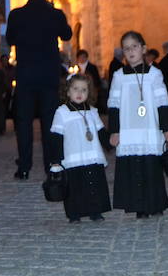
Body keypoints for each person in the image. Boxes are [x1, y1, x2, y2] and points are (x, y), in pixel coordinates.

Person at [5, 0, 72, 179]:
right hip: (48, 75)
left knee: (24, 122)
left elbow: (10, 40)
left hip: (25, 75)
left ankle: (24, 167)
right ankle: (51, 165)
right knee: (49, 122)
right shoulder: (55, 14)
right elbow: (67, 34)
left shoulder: (16, 14)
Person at [108, 31, 168, 217]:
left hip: (150, 129)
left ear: (143, 48)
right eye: (126, 48)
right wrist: (114, 131)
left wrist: (167, 128)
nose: (130, 51)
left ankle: (155, 204)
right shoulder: (119, 76)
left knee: (151, 168)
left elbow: (163, 102)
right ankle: (139, 207)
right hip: (128, 132)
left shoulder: (155, 74)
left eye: (134, 46)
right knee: (133, 169)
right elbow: (113, 105)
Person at [47, 72, 111, 223]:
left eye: (84, 90)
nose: (79, 93)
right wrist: (56, 159)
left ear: (89, 93)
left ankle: (95, 211)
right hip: (72, 156)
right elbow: (56, 137)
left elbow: (101, 131)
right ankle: (74, 213)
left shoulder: (93, 111)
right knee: (75, 187)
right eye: (75, 89)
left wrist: (110, 143)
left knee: (94, 185)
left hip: (92, 155)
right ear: (68, 91)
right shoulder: (62, 112)